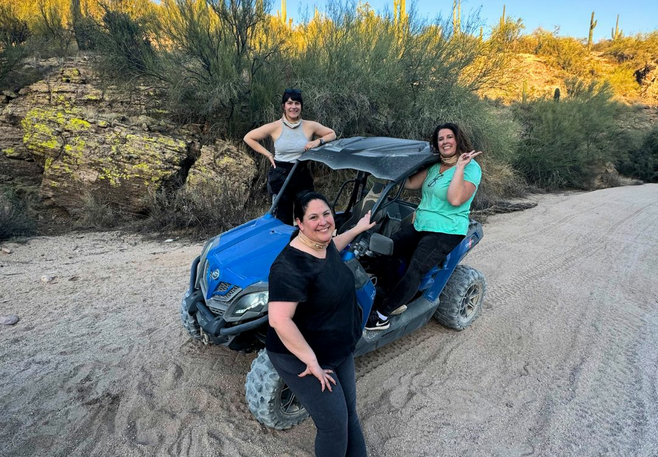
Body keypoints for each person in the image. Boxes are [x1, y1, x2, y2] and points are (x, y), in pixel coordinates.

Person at [266, 192, 374, 457]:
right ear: (299, 223)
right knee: (334, 427)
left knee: (349, 415)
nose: (323, 221)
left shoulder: (322, 245)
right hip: (303, 357)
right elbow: (278, 319)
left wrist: (358, 229)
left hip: (337, 349)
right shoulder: (288, 267)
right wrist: (311, 361)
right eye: (313, 217)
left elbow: (333, 247)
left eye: (326, 214)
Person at [365, 122, 483, 331]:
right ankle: (396, 297)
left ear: (457, 139)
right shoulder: (435, 166)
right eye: (440, 139)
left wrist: (460, 167)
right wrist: (385, 171)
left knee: (415, 270)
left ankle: (382, 315)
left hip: (446, 229)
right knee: (386, 249)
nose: (445, 142)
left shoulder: (471, 168)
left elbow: (455, 199)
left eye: (449, 137)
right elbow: (410, 183)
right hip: (421, 224)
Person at [244, 88, 337, 224]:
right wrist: (268, 154)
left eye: (297, 103)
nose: (293, 107)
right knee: (283, 218)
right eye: (290, 103)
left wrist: (317, 141)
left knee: (307, 214)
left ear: (301, 106)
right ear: (284, 106)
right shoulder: (275, 126)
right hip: (280, 175)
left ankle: (306, 244)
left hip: (301, 174)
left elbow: (332, 134)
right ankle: (287, 244)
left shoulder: (309, 125)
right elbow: (249, 137)